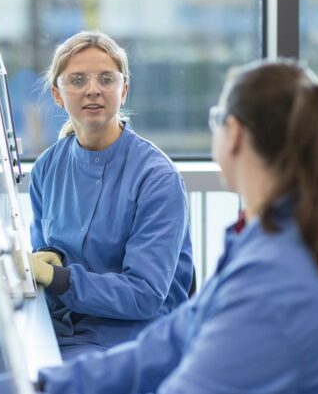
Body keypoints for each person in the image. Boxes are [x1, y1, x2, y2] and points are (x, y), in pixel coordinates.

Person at [35, 59, 318, 393]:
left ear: (235, 133)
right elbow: (171, 342)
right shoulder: (269, 239)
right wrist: (42, 384)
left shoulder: (275, 275)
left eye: (216, 120)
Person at [28, 31, 194, 360]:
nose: (93, 89)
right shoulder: (47, 167)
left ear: (124, 89)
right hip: (61, 330)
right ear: (57, 94)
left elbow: (145, 294)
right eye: (77, 80)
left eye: (106, 79)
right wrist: (48, 257)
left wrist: (62, 279)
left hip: (132, 341)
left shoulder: (156, 179)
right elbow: (42, 256)